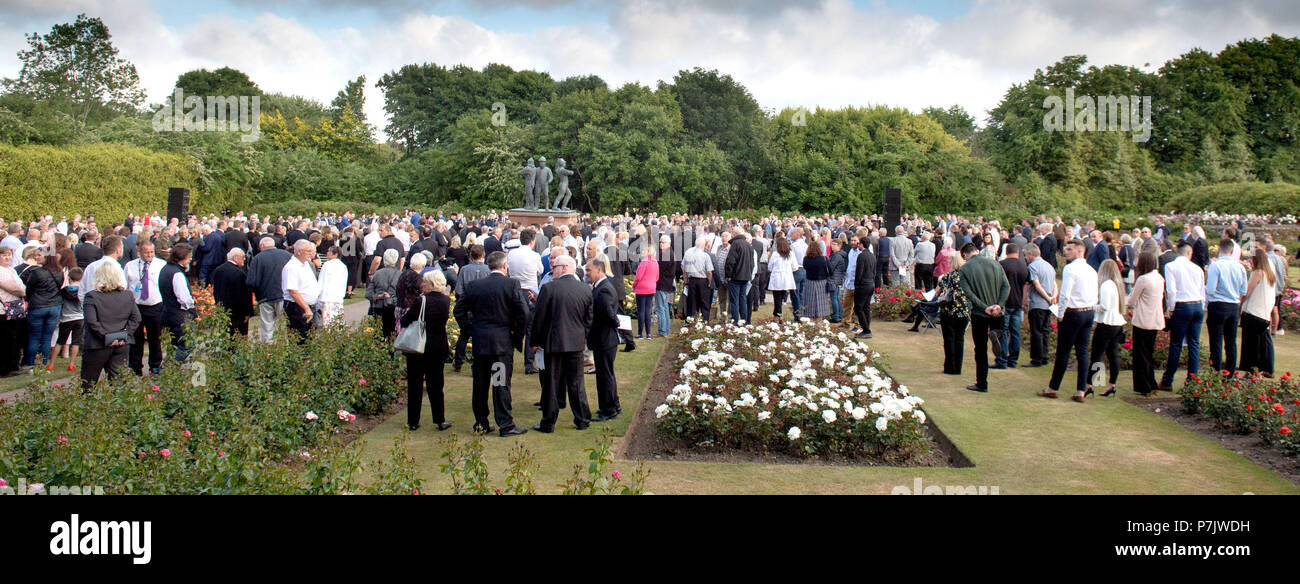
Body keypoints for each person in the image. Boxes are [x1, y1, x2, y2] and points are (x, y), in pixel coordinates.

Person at [454, 251, 528, 437]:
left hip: (482, 343)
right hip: (500, 344)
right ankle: (505, 424)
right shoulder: (511, 284)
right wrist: (515, 333)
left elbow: (459, 311)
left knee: (480, 384)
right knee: (500, 382)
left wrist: (471, 329)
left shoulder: (475, 286)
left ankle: (481, 422)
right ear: (504, 266)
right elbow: (524, 313)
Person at [529, 255, 592, 432]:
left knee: (552, 384)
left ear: (564, 267)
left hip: (554, 343)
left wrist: (535, 341)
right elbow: (588, 320)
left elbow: (539, 318)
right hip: (575, 343)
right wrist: (581, 336)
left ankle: (548, 422)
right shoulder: (584, 289)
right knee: (576, 383)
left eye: (555, 267)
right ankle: (582, 419)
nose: (552, 270)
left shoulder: (549, 289)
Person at [1039, 239, 1098, 402]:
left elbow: (1065, 294)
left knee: (1064, 351)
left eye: (1070, 249)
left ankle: (1053, 387)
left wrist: (1060, 313)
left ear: (1080, 251)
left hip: (1073, 313)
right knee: (1082, 351)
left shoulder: (1070, 269)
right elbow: (1094, 293)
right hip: (1088, 311)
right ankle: (1080, 390)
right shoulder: (1091, 270)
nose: (1066, 252)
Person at [399, 270, 453, 432]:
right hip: (437, 346)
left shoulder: (421, 301)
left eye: (424, 282)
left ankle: (413, 421)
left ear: (431, 285)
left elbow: (404, 321)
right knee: (436, 384)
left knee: (415, 384)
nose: (421, 284)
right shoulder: (445, 300)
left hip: (419, 347)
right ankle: (440, 419)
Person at [958, 242, 1010, 393]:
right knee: (999, 329)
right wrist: (999, 305)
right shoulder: (995, 264)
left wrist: (984, 307)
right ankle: (997, 333)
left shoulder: (965, 269)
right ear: (977, 251)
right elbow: (1006, 287)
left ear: (965, 255)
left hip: (980, 314)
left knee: (980, 349)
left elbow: (968, 293)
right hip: (997, 311)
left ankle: (982, 383)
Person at [80, 261, 140, 386]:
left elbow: (92, 322)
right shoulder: (127, 295)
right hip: (121, 343)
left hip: (97, 345)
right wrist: (124, 335)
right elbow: (136, 318)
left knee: (88, 385)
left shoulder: (92, 297)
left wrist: (107, 337)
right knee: (118, 384)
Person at [1159, 240, 1206, 392]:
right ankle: (1192, 379)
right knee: (1194, 343)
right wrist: (1202, 306)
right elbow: (1202, 290)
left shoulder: (1171, 267)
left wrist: (1171, 308)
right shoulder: (1197, 268)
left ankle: (1167, 380)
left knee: (1176, 344)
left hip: (1182, 305)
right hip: (1197, 304)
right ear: (1189, 253)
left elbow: (1171, 290)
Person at [1204, 238, 1248, 376]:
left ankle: (1215, 371)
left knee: (1216, 340)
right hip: (1233, 305)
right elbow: (1243, 290)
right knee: (1231, 341)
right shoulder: (1240, 267)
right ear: (1232, 251)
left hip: (1218, 304)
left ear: (1219, 249)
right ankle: (1230, 371)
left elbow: (1210, 289)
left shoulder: (1216, 266)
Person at [587, 256, 623, 421]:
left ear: (599, 270)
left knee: (604, 374)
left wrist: (615, 322)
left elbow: (609, 314)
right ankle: (613, 405)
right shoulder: (600, 287)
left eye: (589, 270)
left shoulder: (604, 289)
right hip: (603, 338)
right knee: (607, 373)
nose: (587, 273)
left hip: (605, 338)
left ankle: (608, 409)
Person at [1126, 249, 1165, 396]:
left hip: (1143, 319)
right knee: (1148, 352)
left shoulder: (1143, 279)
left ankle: (1145, 385)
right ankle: (1151, 382)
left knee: (1140, 353)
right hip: (1154, 318)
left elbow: (1132, 300)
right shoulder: (1159, 278)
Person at [124, 241, 167, 375]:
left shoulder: (161, 265)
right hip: (136, 306)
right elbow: (125, 286)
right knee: (136, 338)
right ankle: (135, 367)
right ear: (139, 252)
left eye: (151, 252)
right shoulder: (130, 266)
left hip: (155, 305)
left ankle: (154, 366)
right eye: (146, 252)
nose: (149, 255)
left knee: (155, 338)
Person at [19, 246, 63, 371]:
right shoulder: (58, 271)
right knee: (47, 337)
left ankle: (31, 364)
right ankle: (43, 364)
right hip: (54, 305)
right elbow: (59, 285)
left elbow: (29, 288)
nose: (36, 257)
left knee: (34, 336)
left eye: (39, 255)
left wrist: (29, 299)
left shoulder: (37, 272)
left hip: (38, 306)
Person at [1088, 259, 1127, 397]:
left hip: (1106, 324)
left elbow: (1104, 306)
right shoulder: (1117, 285)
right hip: (1117, 324)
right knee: (1112, 355)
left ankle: (1089, 384)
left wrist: (1092, 306)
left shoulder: (1106, 285)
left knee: (1096, 355)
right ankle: (1112, 384)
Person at [1238, 249, 1277, 376]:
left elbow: (1247, 292)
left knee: (1250, 346)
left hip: (1253, 313)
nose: (1250, 261)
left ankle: (1251, 372)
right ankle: (1260, 370)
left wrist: (1239, 305)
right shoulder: (1270, 275)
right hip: (1263, 315)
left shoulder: (1258, 272)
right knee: (1260, 345)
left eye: (1251, 259)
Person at [453, 244, 490, 371]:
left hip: (468, 306)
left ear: (470, 255)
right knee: (477, 336)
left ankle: (458, 361)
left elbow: (459, 290)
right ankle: (474, 362)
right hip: (482, 307)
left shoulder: (464, 269)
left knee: (464, 334)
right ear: (483, 255)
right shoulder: (487, 270)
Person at [159, 243, 197, 362]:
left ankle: (168, 370)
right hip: (179, 315)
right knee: (187, 344)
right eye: (189, 257)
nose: (190, 259)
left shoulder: (165, 269)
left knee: (175, 344)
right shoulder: (177, 274)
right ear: (182, 257)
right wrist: (192, 308)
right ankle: (166, 369)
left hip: (167, 312)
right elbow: (184, 298)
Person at [937, 247, 972, 375]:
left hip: (950, 311)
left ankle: (950, 366)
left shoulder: (948, 277)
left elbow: (939, 292)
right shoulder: (968, 277)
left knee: (949, 339)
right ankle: (957, 367)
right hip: (963, 310)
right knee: (959, 339)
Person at [995, 243, 1028, 369]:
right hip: (1017, 302)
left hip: (1005, 302)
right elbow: (1026, 285)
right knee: (1015, 331)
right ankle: (1013, 360)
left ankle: (1002, 359)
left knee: (1003, 331)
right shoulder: (1023, 266)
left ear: (1006, 251)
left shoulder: (1002, 265)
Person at [282, 239, 322, 342]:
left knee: (310, 338)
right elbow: (293, 291)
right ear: (299, 251)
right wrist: (306, 308)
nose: (310, 254)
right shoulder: (292, 267)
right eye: (308, 251)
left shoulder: (306, 264)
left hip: (309, 306)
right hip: (298, 307)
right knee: (300, 339)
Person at [211, 248, 254, 338]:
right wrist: (247, 312)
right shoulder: (239, 273)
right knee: (239, 337)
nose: (244, 259)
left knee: (227, 336)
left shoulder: (218, 270)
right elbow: (244, 295)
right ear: (235, 257)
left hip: (223, 309)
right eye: (243, 257)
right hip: (238, 312)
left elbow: (216, 290)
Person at [0, 246, 26, 376]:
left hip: (15, 307)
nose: (7, 258)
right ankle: (4, 368)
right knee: (5, 338)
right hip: (3, 309)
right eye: (4, 255)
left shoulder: (11, 270)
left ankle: (12, 365)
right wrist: (21, 290)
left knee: (14, 338)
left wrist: (21, 289)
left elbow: (21, 286)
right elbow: (13, 287)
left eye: (9, 255)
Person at [367, 249, 401, 337]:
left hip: (379, 306)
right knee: (392, 333)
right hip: (393, 307)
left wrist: (378, 296)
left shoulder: (377, 274)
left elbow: (368, 294)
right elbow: (402, 296)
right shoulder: (400, 275)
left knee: (379, 333)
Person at [57, 267, 84, 371]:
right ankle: (71, 363)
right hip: (80, 318)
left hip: (66, 318)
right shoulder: (81, 291)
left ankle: (51, 363)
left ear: (69, 278)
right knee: (76, 342)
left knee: (60, 341)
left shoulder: (64, 291)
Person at [725, 229, 755, 325]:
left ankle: (735, 321)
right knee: (742, 299)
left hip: (735, 276)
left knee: (734, 300)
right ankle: (744, 320)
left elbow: (731, 261)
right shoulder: (748, 245)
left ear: (735, 234)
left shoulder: (735, 244)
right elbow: (752, 263)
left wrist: (729, 275)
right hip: (745, 276)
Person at [681, 235, 714, 322]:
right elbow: (709, 271)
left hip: (691, 280)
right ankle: (705, 321)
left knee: (692, 302)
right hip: (702, 280)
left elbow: (683, 268)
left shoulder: (688, 253)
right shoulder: (705, 256)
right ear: (704, 246)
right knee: (704, 302)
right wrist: (709, 282)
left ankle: (690, 320)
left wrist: (686, 280)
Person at [654, 235, 681, 337]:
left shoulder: (667, 254)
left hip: (662, 284)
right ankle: (666, 328)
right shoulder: (666, 254)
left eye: (663, 242)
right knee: (664, 307)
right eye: (660, 242)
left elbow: (659, 270)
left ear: (669, 244)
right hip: (665, 284)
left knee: (661, 308)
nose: (661, 244)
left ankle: (662, 331)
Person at [317, 245, 348, 326]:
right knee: (337, 319)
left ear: (335, 254)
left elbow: (321, 280)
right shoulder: (343, 266)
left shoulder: (327, 265)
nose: (327, 253)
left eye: (329, 251)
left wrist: (318, 294)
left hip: (328, 296)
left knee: (328, 321)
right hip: (338, 296)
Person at [852, 235, 876, 339]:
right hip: (870, 283)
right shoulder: (872, 256)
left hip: (863, 285)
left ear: (862, 244)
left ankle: (866, 329)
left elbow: (859, 272)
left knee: (859, 308)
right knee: (866, 307)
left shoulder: (861, 256)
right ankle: (866, 327)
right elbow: (874, 271)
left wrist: (856, 285)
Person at [768, 237, 797, 320]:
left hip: (777, 278)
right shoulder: (791, 254)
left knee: (777, 298)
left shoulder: (775, 254)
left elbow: (770, 267)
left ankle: (777, 315)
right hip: (786, 278)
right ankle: (777, 315)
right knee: (780, 298)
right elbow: (795, 267)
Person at [633, 244, 659, 339]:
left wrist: (634, 285)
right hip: (651, 287)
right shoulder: (655, 262)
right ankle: (648, 333)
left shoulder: (644, 262)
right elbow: (657, 276)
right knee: (648, 310)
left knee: (641, 311)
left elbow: (638, 277)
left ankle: (640, 333)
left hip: (642, 287)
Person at [802, 240, 831, 320]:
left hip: (809, 282)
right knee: (820, 304)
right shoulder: (824, 259)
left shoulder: (806, 259)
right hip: (821, 282)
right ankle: (819, 323)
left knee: (810, 303)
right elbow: (830, 271)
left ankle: (810, 322)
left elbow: (805, 267)